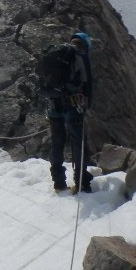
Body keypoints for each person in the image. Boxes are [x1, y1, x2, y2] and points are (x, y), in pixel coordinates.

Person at [44, 31, 94, 193]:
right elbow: (87, 83)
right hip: (73, 105)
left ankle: (58, 182)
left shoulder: (56, 54)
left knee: (57, 143)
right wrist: (87, 104)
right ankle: (82, 183)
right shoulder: (80, 56)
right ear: (85, 45)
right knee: (78, 143)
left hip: (53, 105)